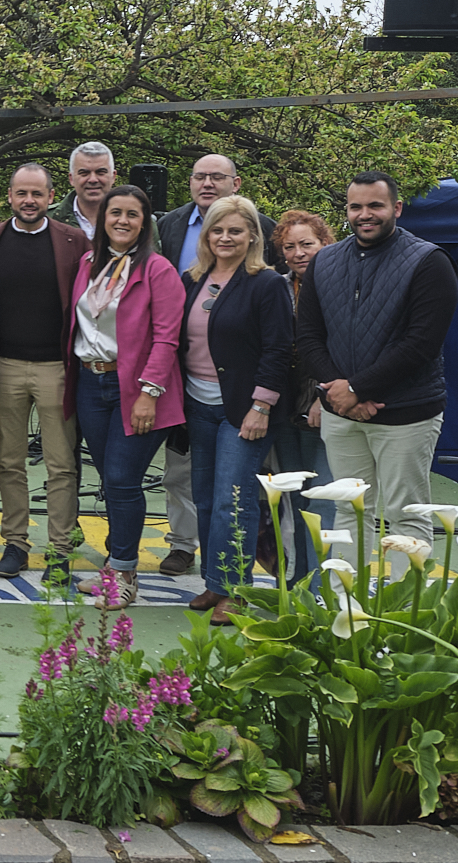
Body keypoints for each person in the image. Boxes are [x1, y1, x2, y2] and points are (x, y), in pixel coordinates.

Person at [297, 171, 458, 575]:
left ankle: (406, 608)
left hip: (406, 414)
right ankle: (345, 606)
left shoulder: (429, 262)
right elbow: (308, 336)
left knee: (408, 515)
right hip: (341, 413)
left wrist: (356, 388)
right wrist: (340, 394)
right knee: (349, 512)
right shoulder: (324, 262)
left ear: (397, 208)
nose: (364, 214)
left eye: (375, 205)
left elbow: (421, 344)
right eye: (356, 206)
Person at [66, 184, 186, 609]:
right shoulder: (89, 264)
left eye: (132, 214)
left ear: (144, 223)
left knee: (121, 479)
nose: (122, 220)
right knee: (111, 480)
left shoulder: (158, 270)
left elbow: (167, 337)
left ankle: (123, 572)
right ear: (103, 219)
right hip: (90, 383)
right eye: (115, 212)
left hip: (136, 389)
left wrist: (149, 392)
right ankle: (115, 566)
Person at [178, 195, 294, 625]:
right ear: (206, 235)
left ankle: (236, 589)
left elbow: (279, 349)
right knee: (206, 498)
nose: (225, 238)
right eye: (217, 230)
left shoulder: (267, 283)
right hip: (197, 404)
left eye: (235, 231)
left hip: (244, 410)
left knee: (234, 500)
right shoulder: (193, 279)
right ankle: (215, 581)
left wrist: (261, 405)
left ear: (252, 237)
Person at [0, 163, 90, 581]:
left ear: (50, 197)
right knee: (10, 462)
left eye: (37, 194)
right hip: (5, 366)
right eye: (21, 193)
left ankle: (59, 550)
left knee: (61, 465)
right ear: (9, 196)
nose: (29, 201)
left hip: (56, 367)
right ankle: (16, 543)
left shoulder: (74, 242)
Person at [270, 209, 338, 578]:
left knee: (322, 499)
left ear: (325, 243)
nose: (298, 253)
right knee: (295, 500)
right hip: (284, 409)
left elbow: (344, 347)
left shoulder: (340, 284)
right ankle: (300, 581)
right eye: (289, 247)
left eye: (306, 244)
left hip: (324, 407)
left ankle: (321, 586)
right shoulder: (276, 287)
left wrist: (322, 397)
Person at [51, 141, 117, 240]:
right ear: (71, 178)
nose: (93, 180)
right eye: (84, 173)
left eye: (100, 172)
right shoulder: (48, 220)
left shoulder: (132, 221)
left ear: (113, 176)